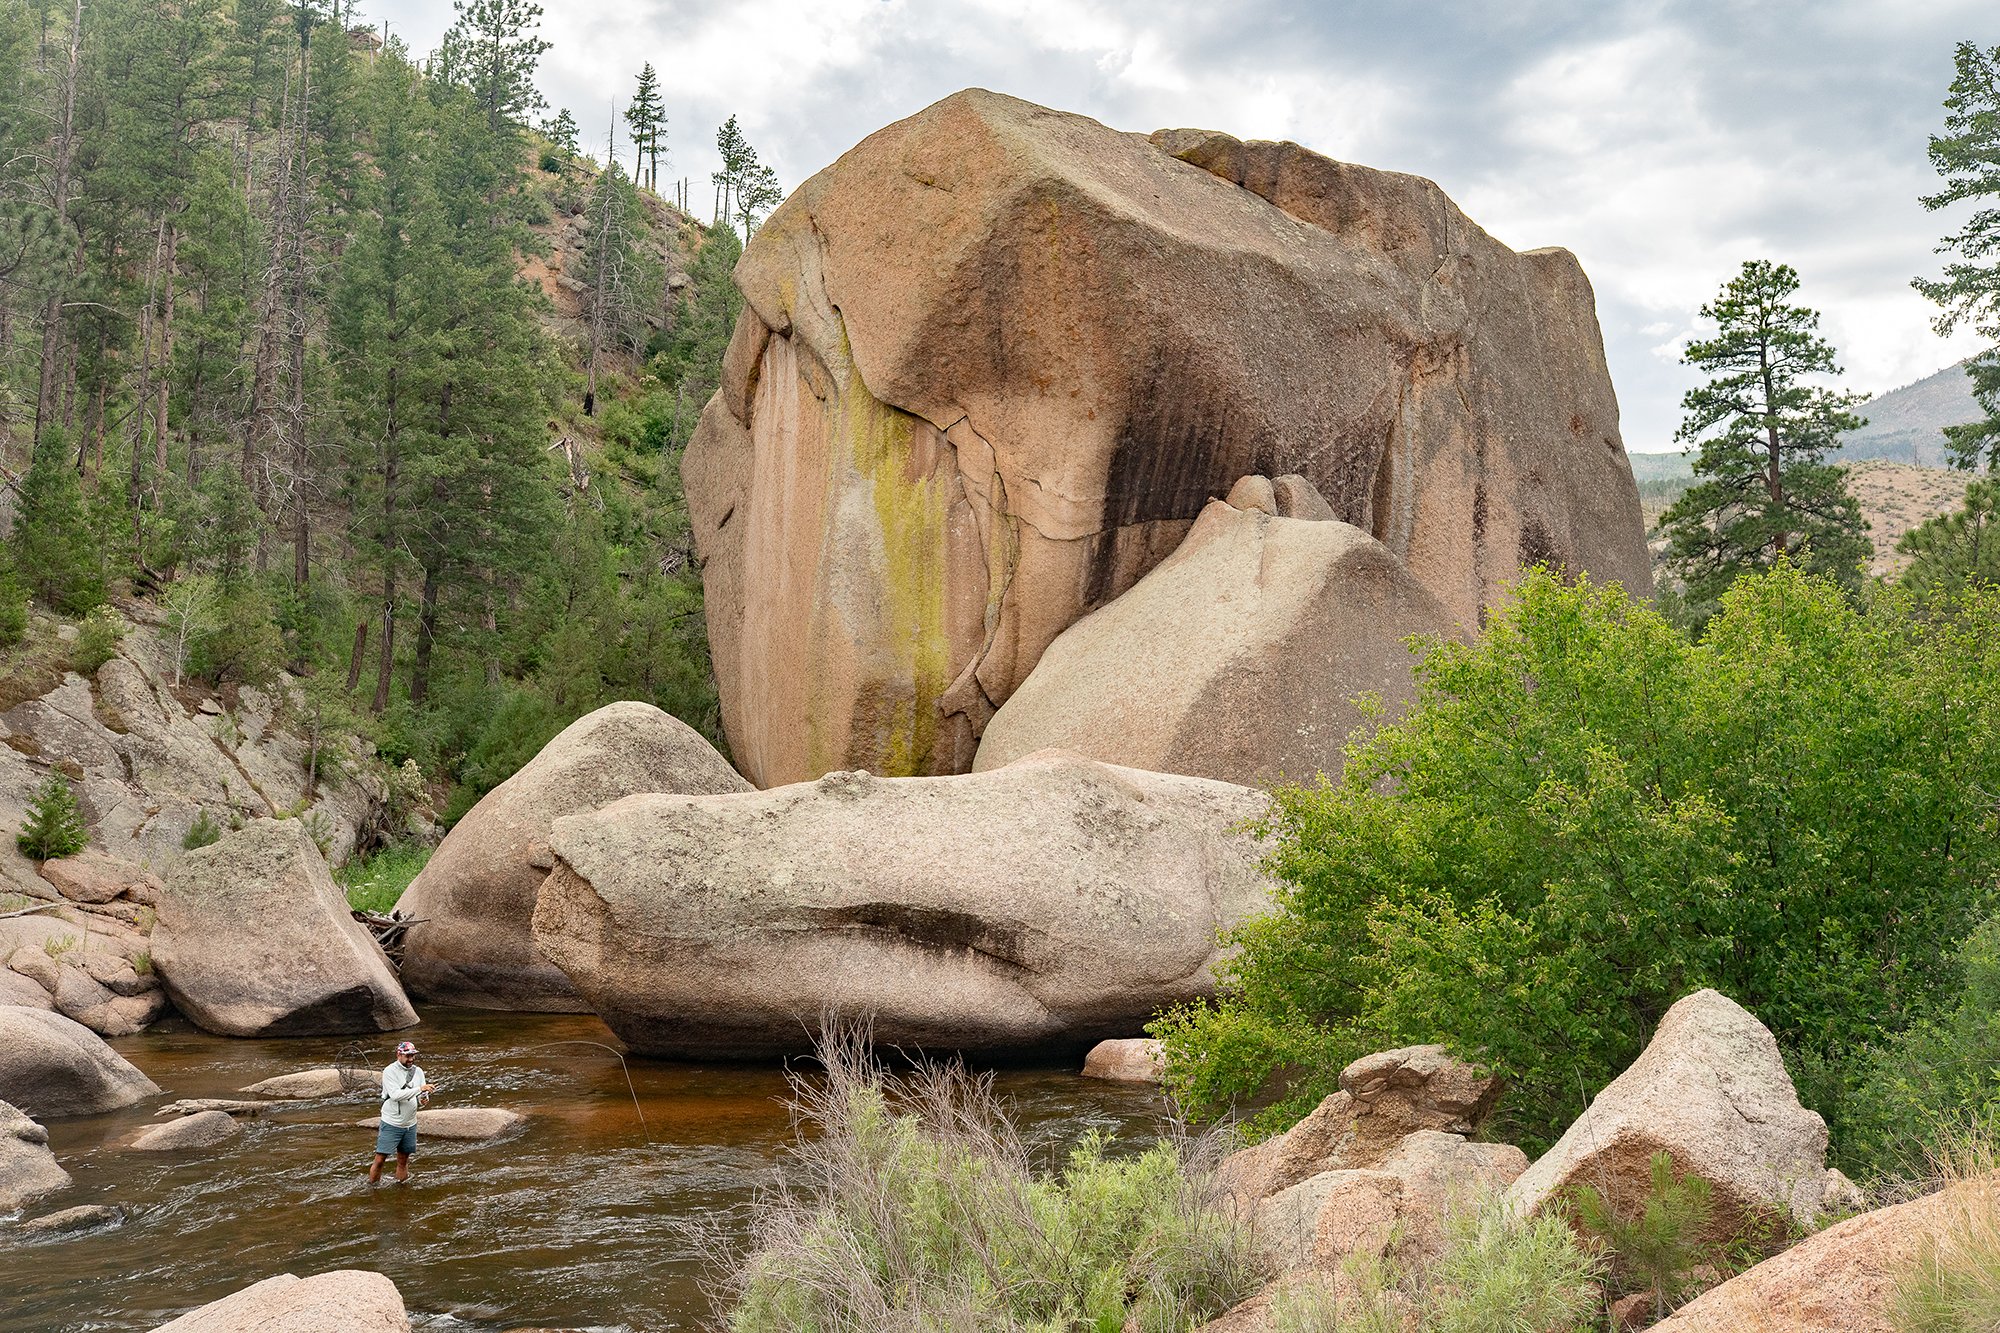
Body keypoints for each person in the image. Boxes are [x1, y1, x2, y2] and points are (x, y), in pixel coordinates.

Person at [368, 1039, 432, 1185]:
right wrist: (419, 1090)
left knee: (403, 1160)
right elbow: (396, 1095)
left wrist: (423, 1098)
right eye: (408, 1056)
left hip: (410, 1124)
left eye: (413, 1056)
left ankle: (401, 1189)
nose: (411, 1059)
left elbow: (421, 1095)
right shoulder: (390, 1071)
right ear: (399, 1055)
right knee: (380, 1160)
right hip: (392, 1123)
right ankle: (372, 1190)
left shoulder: (419, 1071)